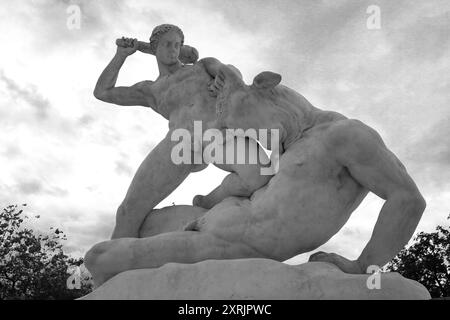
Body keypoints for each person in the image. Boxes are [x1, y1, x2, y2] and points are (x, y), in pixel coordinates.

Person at [85, 63, 426, 289]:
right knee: (131, 218)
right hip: (206, 222)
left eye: (243, 123)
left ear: (265, 86)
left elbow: (407, 199)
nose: (254, 138)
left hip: (226, 244)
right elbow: (252, 186)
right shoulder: (290, 149)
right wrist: (211, 204)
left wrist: (363, 265)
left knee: (100, 257)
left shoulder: (344, 136)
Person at [93, 24, 271, 239]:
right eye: (168, 44)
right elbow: (103, 92)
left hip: (216, 133)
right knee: (128, 212)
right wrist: (121, 56)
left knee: (260, 176)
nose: (173, 50)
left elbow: (231, 74)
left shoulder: (202, 67)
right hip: (180, 142)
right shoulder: (150, 90)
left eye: (177, 45)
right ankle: (116, 265)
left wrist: (224, 84)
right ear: (154, 48)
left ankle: (207, 202)